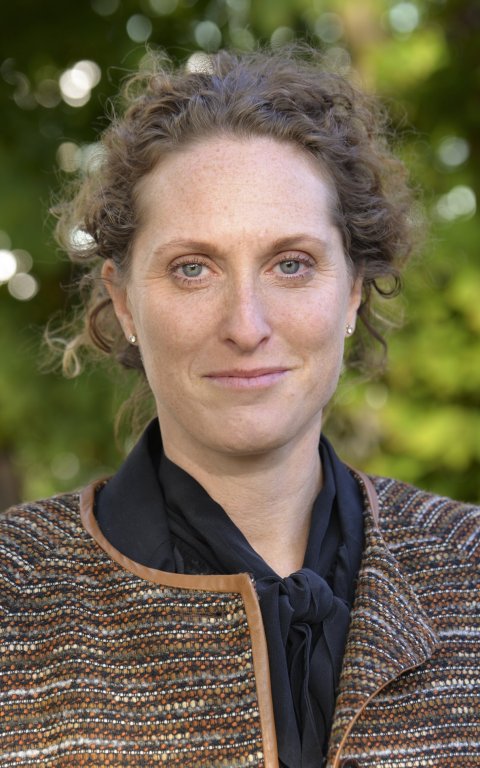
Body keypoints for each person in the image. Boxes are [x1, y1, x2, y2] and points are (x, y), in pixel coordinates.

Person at [0, 45, 478, 768]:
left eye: (292, 264)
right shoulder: (13, 598)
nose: (246, 325)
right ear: (124, 301)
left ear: (351, 292)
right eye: (194, 269)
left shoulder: (469, 569)